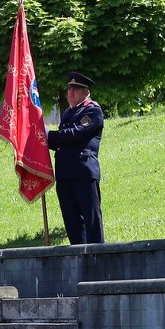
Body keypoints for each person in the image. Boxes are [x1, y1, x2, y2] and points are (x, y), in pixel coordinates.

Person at [47, 71, 105, 244]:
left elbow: (75, 133)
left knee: (91, 220)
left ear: (86, 92)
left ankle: (98, 255)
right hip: (65, 174)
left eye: (76, 89)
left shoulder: (93, 110)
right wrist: (40, 138)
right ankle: (78, 255)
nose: (70, 93)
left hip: (83, 173)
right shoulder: (68, 113)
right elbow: (62, 141)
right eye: (69, 89)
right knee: (72, 222)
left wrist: (48, 135)